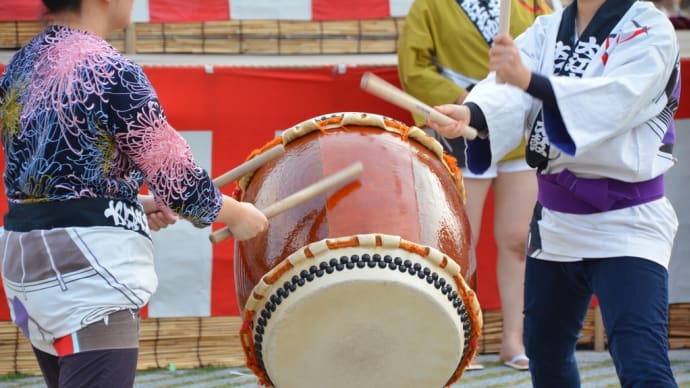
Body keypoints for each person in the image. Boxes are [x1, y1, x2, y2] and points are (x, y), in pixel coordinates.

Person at [0, 0, 268, 386]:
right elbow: (180, 184)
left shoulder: (21, 66)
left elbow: (44, 181)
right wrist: (240, 216)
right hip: (88, 273)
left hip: (25, 267)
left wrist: (131, 204)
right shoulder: (112, 71)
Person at [427, 0, 681, 386]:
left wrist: (528, 79)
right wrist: (474, 115)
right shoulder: (547, 30)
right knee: (545, 351)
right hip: (557, 223)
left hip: (627, 222)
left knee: (641, 361)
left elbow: (614, 99)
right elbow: (506, 93)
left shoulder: (650, 28)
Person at [397, 0, 551, 371]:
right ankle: (460, 338)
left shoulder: (532, 3)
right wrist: (466, 101)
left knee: (518, 239)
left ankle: (515, 338)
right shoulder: (431, 5)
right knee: (459, 241)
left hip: (518, 129)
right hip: (463, 130)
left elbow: (551, 51)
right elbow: (413, 65)